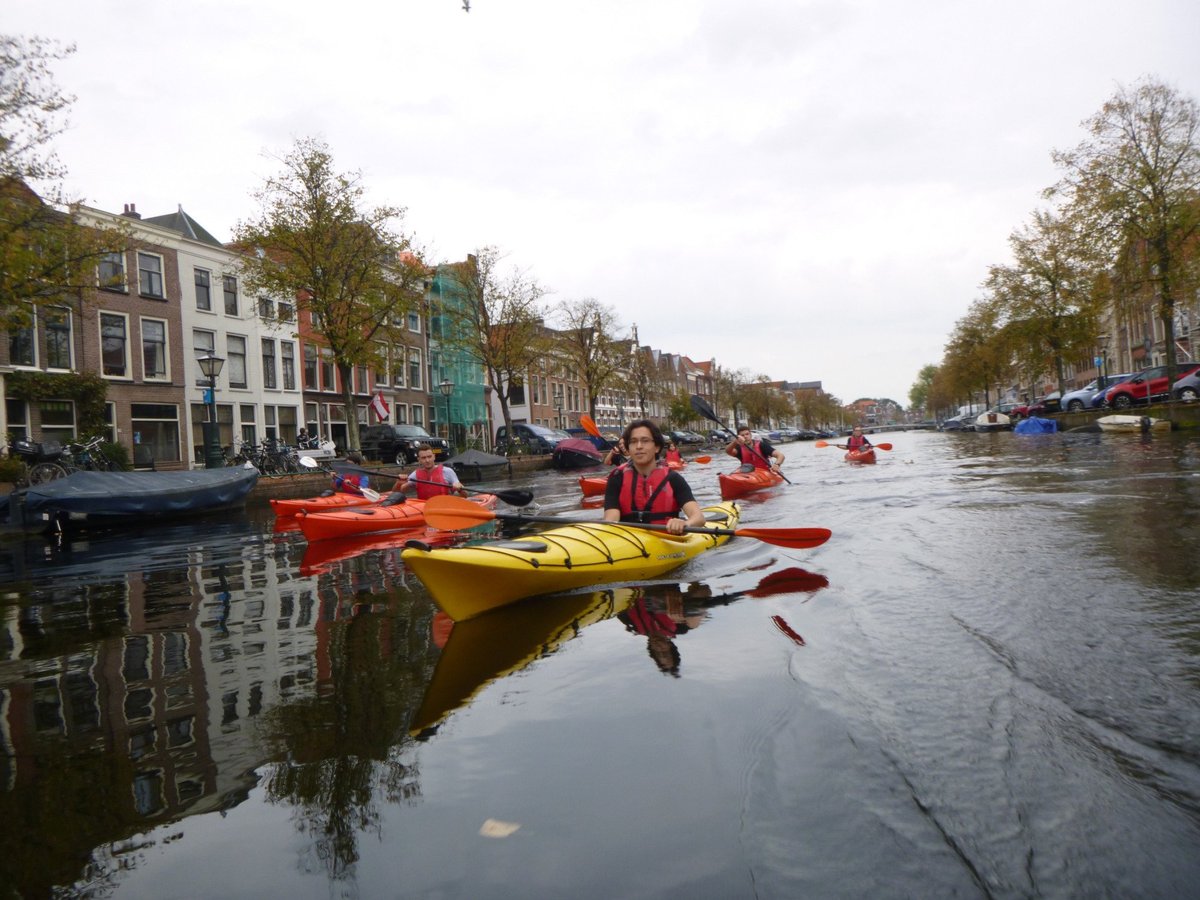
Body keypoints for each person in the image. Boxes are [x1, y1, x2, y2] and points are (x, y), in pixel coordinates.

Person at [604, 419, 705, 535]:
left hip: (667, 539)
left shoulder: (674, 479)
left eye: (645, 441)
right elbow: (611, 518)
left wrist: (686, 524)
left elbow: (699, 518)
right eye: (633, 442)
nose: (639, 446)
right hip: (630, 539)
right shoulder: (617, 478)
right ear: (628, 448)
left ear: (656, 447)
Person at [395, 444, 468, 499]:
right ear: (419, 460)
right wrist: (399, 482)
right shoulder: (415, 475)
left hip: (443, 509)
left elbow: (465, 495)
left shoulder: (447, 472)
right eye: (423, 458)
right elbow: (396, 493)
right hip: (424, 510)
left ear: (434, 456)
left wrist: (460, 489)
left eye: (429, 457)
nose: (427, 460)